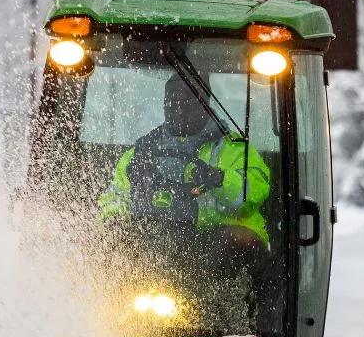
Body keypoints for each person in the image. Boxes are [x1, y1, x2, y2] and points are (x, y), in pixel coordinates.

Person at [97, 75, 271, 250]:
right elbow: (115, 196)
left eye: (188, 103)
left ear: (206, 104)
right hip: (157, 241)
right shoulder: (141, 152)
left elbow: (252, 196)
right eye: (172, 103)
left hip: (215, 241)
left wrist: (220, 179)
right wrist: (114, 220)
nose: (179, 111)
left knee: (235, 240)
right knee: (117, 240)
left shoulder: (234, 147)